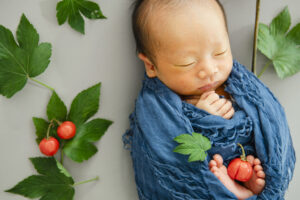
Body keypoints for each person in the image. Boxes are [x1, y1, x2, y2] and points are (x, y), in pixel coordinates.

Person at [122, 0, 296, 199]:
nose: (209, 70)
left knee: (254, 161)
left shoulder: (242, 87)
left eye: (219, 52)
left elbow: (267, 121)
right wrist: (199, 116)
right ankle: (230, 190)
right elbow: (169, 150)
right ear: (151, 66)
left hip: (245, 162)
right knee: (196, 158)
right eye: (188, 62)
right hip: (203, 178)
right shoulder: (159, 111)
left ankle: (244, 186)